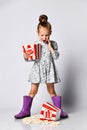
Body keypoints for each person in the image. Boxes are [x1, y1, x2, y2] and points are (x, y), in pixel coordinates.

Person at [14, 14, 68, 119]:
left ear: (50, 33)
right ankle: (25, 110)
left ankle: (59, 110)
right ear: (38, 33)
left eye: (47, 35)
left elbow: (56, 56)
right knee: (33, 91)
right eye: (42, 35)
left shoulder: (53, 44)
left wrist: (50, 47)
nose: (44, 37)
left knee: (51, 91)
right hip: (37, 70)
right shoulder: (36, 44)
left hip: (49, 70)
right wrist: (26, 56)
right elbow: (32, 58)